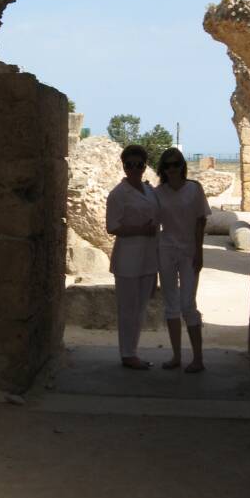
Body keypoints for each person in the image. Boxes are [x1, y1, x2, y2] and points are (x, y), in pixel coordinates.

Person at [154, 148, 211, 372]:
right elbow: (154, 224)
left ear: (182, 166)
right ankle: (176, 356)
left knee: (188, 304)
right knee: (171, 304)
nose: (172, 169)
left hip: (188, 251)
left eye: (176, 164)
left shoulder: (194, 189)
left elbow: (200, 221)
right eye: (167, 165)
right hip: (166, 250)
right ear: (163, 168)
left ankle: (198, 359)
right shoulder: (158, 193)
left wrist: (199, 251)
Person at [105, 144, 159, 370]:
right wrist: (140, 230)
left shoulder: (150, 191)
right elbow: (112, 226)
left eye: (139, 164)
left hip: (148, 257)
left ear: (145, 166)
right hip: (128, 257)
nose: (134, 169)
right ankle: (127, 354)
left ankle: (132, 351)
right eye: (130, 165)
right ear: (124, 166)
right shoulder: (118, 194)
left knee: (140, 307)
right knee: (128, 308)